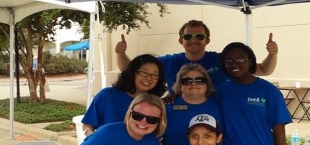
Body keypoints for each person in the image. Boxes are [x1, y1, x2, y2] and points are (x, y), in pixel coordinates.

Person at [115, 20, 278, 92]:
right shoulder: (169, 61)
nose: (194, 40)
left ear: (207, 40)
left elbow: (264, 70)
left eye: (199, 36)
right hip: (179, 115)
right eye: (188, 37)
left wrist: (272, 53)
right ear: (181, 40)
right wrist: (120, 53)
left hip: (215, 117)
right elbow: (129, 69)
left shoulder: (221, 60)